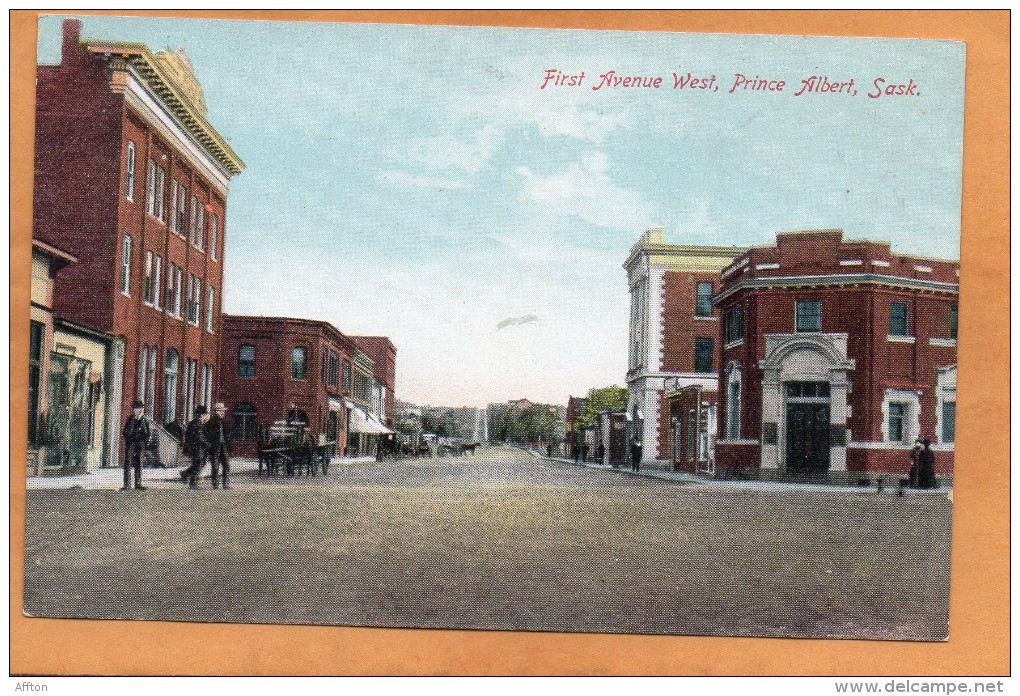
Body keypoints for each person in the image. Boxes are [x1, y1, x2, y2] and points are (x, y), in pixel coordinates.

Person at [122, 399, 150, 491]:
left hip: (140, 445)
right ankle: (127, 484)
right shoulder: (130, 419)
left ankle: (138, 483)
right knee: (128, 463)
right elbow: (126, 431)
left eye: (137, 409)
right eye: (134, 408)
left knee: (138, 464)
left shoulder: (144, 420)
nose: (135, 410)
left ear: (141, 410)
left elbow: (147, 433)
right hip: (131, 444)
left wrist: (144, 443)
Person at [181, 406, 210, 488]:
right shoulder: (197, 424)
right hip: (196, 447)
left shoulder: (196, 423)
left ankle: (185, 474)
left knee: (199, 463)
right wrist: (207, 444)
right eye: (205, 415)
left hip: (197, 447)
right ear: (201, 415)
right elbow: (199, 437)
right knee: (199, 463)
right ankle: (193, 482)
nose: (205, 417)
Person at [206, 403, 232, 489]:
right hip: (215, 447)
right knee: (215, 466)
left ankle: (225, 483)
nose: (223, 413)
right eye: (221, 411)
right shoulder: (211, 422)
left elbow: (228, 435)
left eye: (223, 411)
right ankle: (215, 484)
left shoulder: (224, 422)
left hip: (223, 447)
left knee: (226, 465)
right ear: (216, 411)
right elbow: (207, 435)